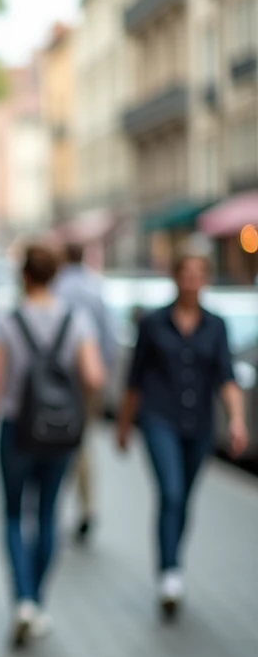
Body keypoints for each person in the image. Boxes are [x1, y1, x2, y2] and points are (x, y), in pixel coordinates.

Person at [0, 242, 104, 648]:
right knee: (48, 515)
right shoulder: (77, 319)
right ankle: (37, 602)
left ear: (24, 275)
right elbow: (95, 377)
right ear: (55, 276)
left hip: (16, 430)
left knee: (14, 516)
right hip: (61, 432)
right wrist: (84, 416)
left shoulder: (4, 320)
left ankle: (22, 602)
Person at [114, 250, 249, 621]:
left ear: (205, 280)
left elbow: (227, 377)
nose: (191, 281)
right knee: (170, 492)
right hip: (159, 418)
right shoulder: (154, 324)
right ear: (175, 278)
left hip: (198, 424)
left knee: (183, 499)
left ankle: (173, 562)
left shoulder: (216, 326)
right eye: (184, 274)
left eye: (197, 275)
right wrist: (123, 426)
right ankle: (169, 573)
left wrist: (236, 420)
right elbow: (134, 379)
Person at [53, 240, 117, 543]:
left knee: (55, 440)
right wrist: (101, 375)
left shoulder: (56, 288)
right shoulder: (96, 288)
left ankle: (55, 507)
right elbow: (109, 338)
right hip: (88, 380)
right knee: (82, 442)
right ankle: (86, 508)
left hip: (57, 381)